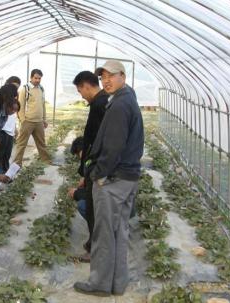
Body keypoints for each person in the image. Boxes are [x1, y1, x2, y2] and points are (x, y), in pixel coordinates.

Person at [74, 60, 144, 297]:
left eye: (111, 76)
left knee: (104, 233)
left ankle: (100, 284)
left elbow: (113, 147)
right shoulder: (127, 98)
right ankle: (117, 282)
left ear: (122, 76)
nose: (106, 81)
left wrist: (98, 175)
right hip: (128, 177)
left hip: (113, 179)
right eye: (103, 77)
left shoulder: (120, 106)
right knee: (119, 232)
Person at [72, 71, 109, 258]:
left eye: (80, 91)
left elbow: (97, 141)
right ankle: (93, 243)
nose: (81, 95)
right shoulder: (101, 102)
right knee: (94, 207)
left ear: (87, 85)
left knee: (94, 209)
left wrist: (90, 169)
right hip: (94, 165)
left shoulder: (100, 105)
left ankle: (96, 248)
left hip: (97, 166)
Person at [13, 69, 51, 166]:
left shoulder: (41, 89)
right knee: (21, 144)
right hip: (28, 121)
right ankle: (17, 163)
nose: (38, 80)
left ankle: (46, 161)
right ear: (31, 77)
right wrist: (23, 120)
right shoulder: (25, 89)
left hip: (39, 122)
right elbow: (20, 106)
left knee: (41, 143)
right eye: (36, 78)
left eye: (39, 78)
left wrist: (44, 119)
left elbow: (43, 105)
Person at [0, 76, 21, 171]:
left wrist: (15, 128)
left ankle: (6, 175)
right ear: (6, 84)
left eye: (17, 87)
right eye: (13, 86)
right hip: (2, 130)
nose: (15, 90)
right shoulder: (1, 96)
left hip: (10, 131)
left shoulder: (15, 96)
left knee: (7, 155)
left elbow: (13, 114)